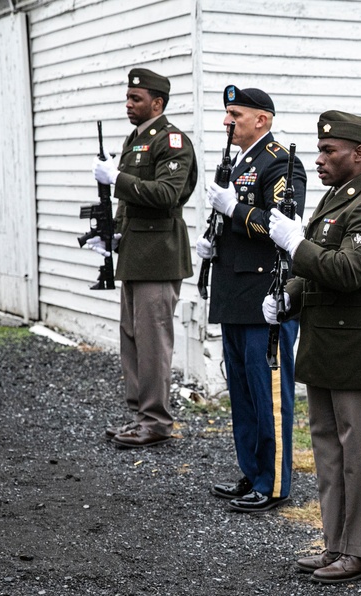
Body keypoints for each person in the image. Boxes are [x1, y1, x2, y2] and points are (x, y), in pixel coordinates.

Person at [264, 110, 361, 583]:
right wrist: (287, 298)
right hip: (323, 340)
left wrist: (296, 244)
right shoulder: (333, 202)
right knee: (328, 450)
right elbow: (317, 274)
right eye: (320, 150)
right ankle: (336, 543)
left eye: (330, 151)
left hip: (358, 342)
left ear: (358, 154)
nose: (320, 159)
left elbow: (347, 272)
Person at [196, 86, 306, 512]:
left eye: (235, 115)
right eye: (227, 114)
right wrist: (214, 239)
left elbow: (283, 223)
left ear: (262, 119)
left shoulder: (281, 162)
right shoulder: (239, 161)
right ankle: (252, 472)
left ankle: (275, 483)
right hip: (233, 294)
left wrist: (234, 211)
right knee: (241, 391)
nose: (227, 122)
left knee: (269, 396)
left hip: (264, 297)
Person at [88, 67, 197, 449]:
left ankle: (156, 420)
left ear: (158, 102)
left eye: (136, 99)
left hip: (159, 255)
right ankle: (140, 415)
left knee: (153, 342)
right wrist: (112, 233)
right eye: (128, 98)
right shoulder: (134, 141)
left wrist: (116, 177)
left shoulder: (172, 141)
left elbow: (166, 194)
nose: (129, 104)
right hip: (135, 253)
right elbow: (127, 202)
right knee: (132, 338)